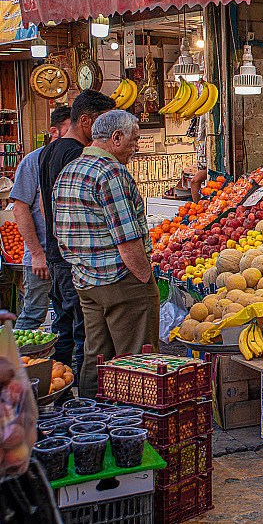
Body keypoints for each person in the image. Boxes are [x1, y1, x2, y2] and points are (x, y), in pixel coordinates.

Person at [54, 111, 159, 399]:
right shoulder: (110, 173)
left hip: (85, 281)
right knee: (138, 360)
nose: (136, 146)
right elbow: (127, 239)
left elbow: (61, 232)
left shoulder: (70, 171)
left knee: (95, 356)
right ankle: (138, 427)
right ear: (116, 138)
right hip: (121, 280)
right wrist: (144, 279)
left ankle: (92, 424)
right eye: (134, 140)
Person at [38, 90, 115, 378]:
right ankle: (84, 400)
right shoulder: (77, 154)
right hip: (75, 261)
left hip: (57, 256)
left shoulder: (49, 151)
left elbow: (50, 207)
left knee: (63, 329)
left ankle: (57, 387)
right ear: (85, 121)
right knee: (86, 333)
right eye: (102, 124)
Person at [10, 107, 71, 329]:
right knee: (34, 314)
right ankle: (11, 361)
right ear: (54, 131)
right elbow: (19, 209)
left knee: (68, 316)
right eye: (68, 129)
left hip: (68, 257)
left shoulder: (75, 156)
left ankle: (57, 363)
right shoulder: (33, 161)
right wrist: (37, 254)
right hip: (42, 256)